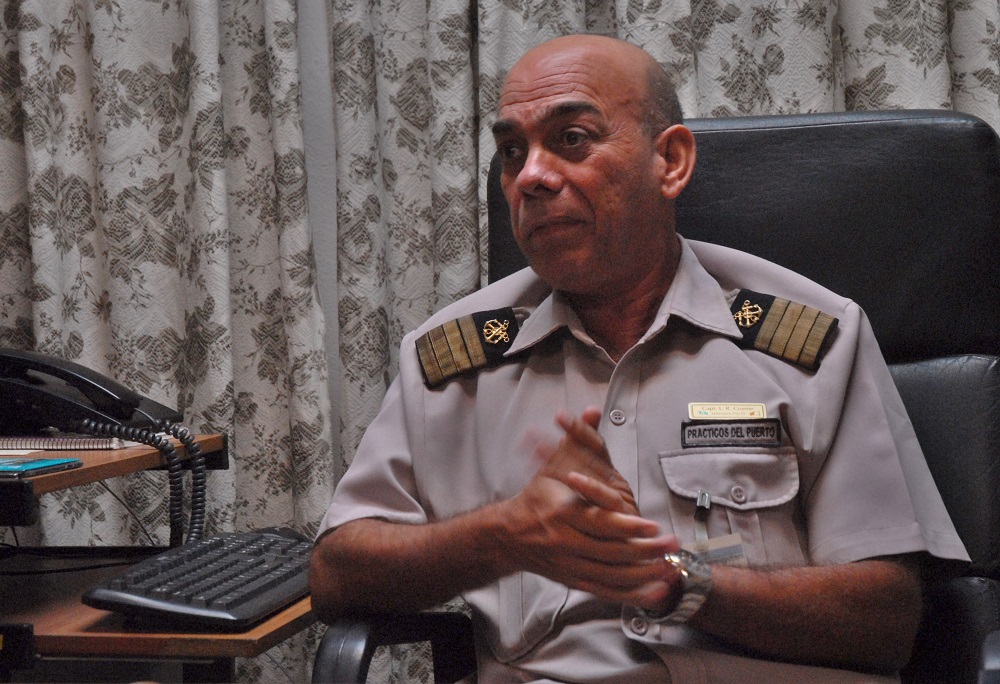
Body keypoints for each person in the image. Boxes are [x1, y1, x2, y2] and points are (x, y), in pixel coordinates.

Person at [310, 34, 969, 683]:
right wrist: (505, 535)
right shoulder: (457, 360)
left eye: (572, 138)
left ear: (671, 162)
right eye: (512, 151)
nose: (531, 176)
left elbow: (887, 621)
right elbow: (336, 576)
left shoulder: (813, 342)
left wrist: (674, 583)